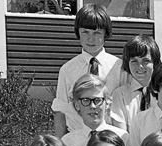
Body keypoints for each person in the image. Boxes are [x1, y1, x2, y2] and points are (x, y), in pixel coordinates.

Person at [52, 4, 125, 136]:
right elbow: (60, 113)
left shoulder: (119, 68)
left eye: (97, 33)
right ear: (78, 32)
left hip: (110, 141)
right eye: (85, 32)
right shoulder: (67, 70)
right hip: (77, 142)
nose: (91, 39)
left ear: (105, 33)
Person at [61, 74, 128, 146]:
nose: (92, 106)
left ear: (107, 103)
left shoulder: (123, 137)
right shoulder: (68, 141)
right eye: (86, 100)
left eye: (98, 100)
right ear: (77, 105)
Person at [110, 35, 161, 132]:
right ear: (127, 64)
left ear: (155, 62)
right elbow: (121, 133)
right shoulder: (120, 95)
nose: (140, 66)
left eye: (146, 61)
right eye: (134, 61)